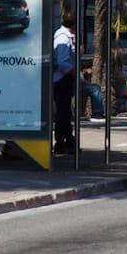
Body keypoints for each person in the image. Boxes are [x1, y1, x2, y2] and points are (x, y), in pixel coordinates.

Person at [53, 8, 78, 154]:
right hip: (62, 79)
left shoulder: (66, 36)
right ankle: (61, 142)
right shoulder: (62, 38)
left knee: (66, 111)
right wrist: (73, 72)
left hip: (64, 78)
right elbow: (62, 61)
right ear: (73, 24)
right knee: (63, 112)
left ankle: (68, 140)